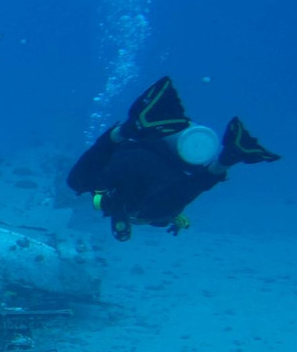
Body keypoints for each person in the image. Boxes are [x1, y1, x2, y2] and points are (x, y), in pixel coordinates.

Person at [68, 76, 280, 241]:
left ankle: (227, 158)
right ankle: (127, 129)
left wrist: (111, 206)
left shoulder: (152, 209)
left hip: (144, 159)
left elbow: (185, 187)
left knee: (83, 184)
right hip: (142, 155)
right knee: (77, 181)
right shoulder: (149, 209)